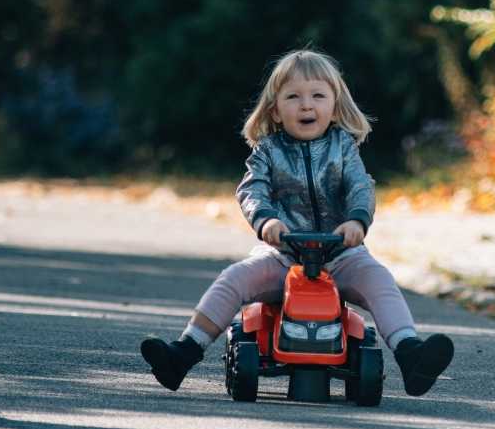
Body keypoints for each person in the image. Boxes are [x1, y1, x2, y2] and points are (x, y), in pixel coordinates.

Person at [140, 49, 453, 397]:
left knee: (379, 279)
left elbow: (360, 187)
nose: (306, 105)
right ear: (275, 109)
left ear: (335, 106)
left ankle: (410, 353)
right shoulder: (267, 151)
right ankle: (184, 352)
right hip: (282, 254)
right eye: (293, 97)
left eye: (318, 96)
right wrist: (267, 221)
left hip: (341, 254)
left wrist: (356, 221)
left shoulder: (344, 149)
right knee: (234, 278)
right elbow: (253, 189)